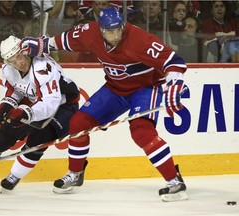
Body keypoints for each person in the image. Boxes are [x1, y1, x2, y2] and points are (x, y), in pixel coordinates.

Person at [20, 7, 188, 202]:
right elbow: (65, 41)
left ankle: (174, 181)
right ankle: (75, 174)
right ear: (101, 29)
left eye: (118, 29)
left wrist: (175, 82)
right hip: (115, 88)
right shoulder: (89, 33)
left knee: (141, 131)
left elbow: (173, 61)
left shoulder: (140, 40)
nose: (115, 34)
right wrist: (42, 45)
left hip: (146, 88)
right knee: (78, 124)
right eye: (110, 30)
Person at [0, 35, 80, 191]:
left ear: (26, 51)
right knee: (3, 135)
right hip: (35, 100)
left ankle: (15, 175)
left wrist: (26, 112)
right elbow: (17, 90)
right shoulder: (8, 69)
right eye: (13, 61)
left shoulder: (42, 66)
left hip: (63, 104)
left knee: (39, 139)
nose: (18, 63)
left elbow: (50, 102)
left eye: (20, 56)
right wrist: (7, 104)